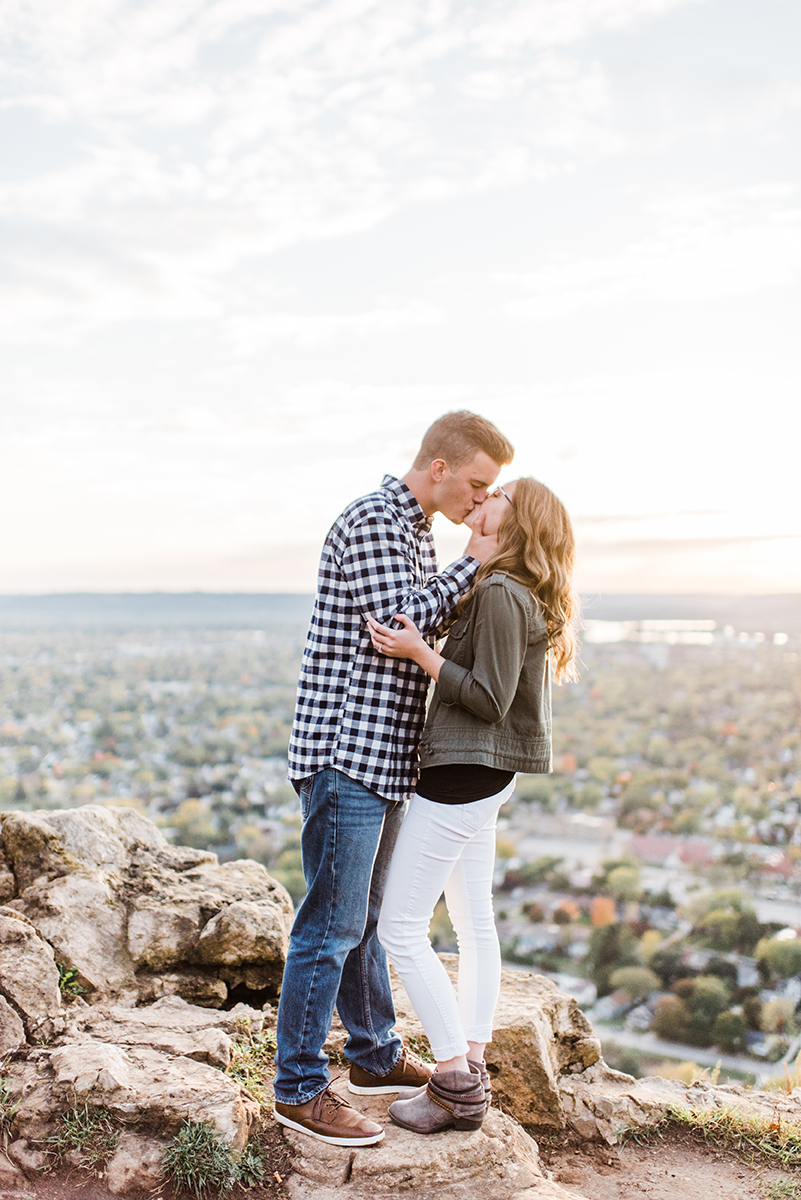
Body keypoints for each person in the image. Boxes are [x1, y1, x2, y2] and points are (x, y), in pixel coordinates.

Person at [273, 411, 514, 1147]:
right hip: (347, 755)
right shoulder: (378, 519)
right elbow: (395, 627)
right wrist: (475, 558)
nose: (479, 503)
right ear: (438, 467)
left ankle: (373, 1055)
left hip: (382, 760)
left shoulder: (415, 532)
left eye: (489, 493)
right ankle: (298, 1088)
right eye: (476, 485)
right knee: (331, 925)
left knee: (368, 919)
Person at [367, 477, 578, 1134]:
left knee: (397, 928)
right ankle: (474, 1062)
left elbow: (485, 698)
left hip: (460, 776)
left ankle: (454, 1081)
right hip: (488, 775)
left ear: (513, 523)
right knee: (472, 922)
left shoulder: (497, 593)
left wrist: (418, 652)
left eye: (496, 496)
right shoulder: (508, 591)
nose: (480, 499)